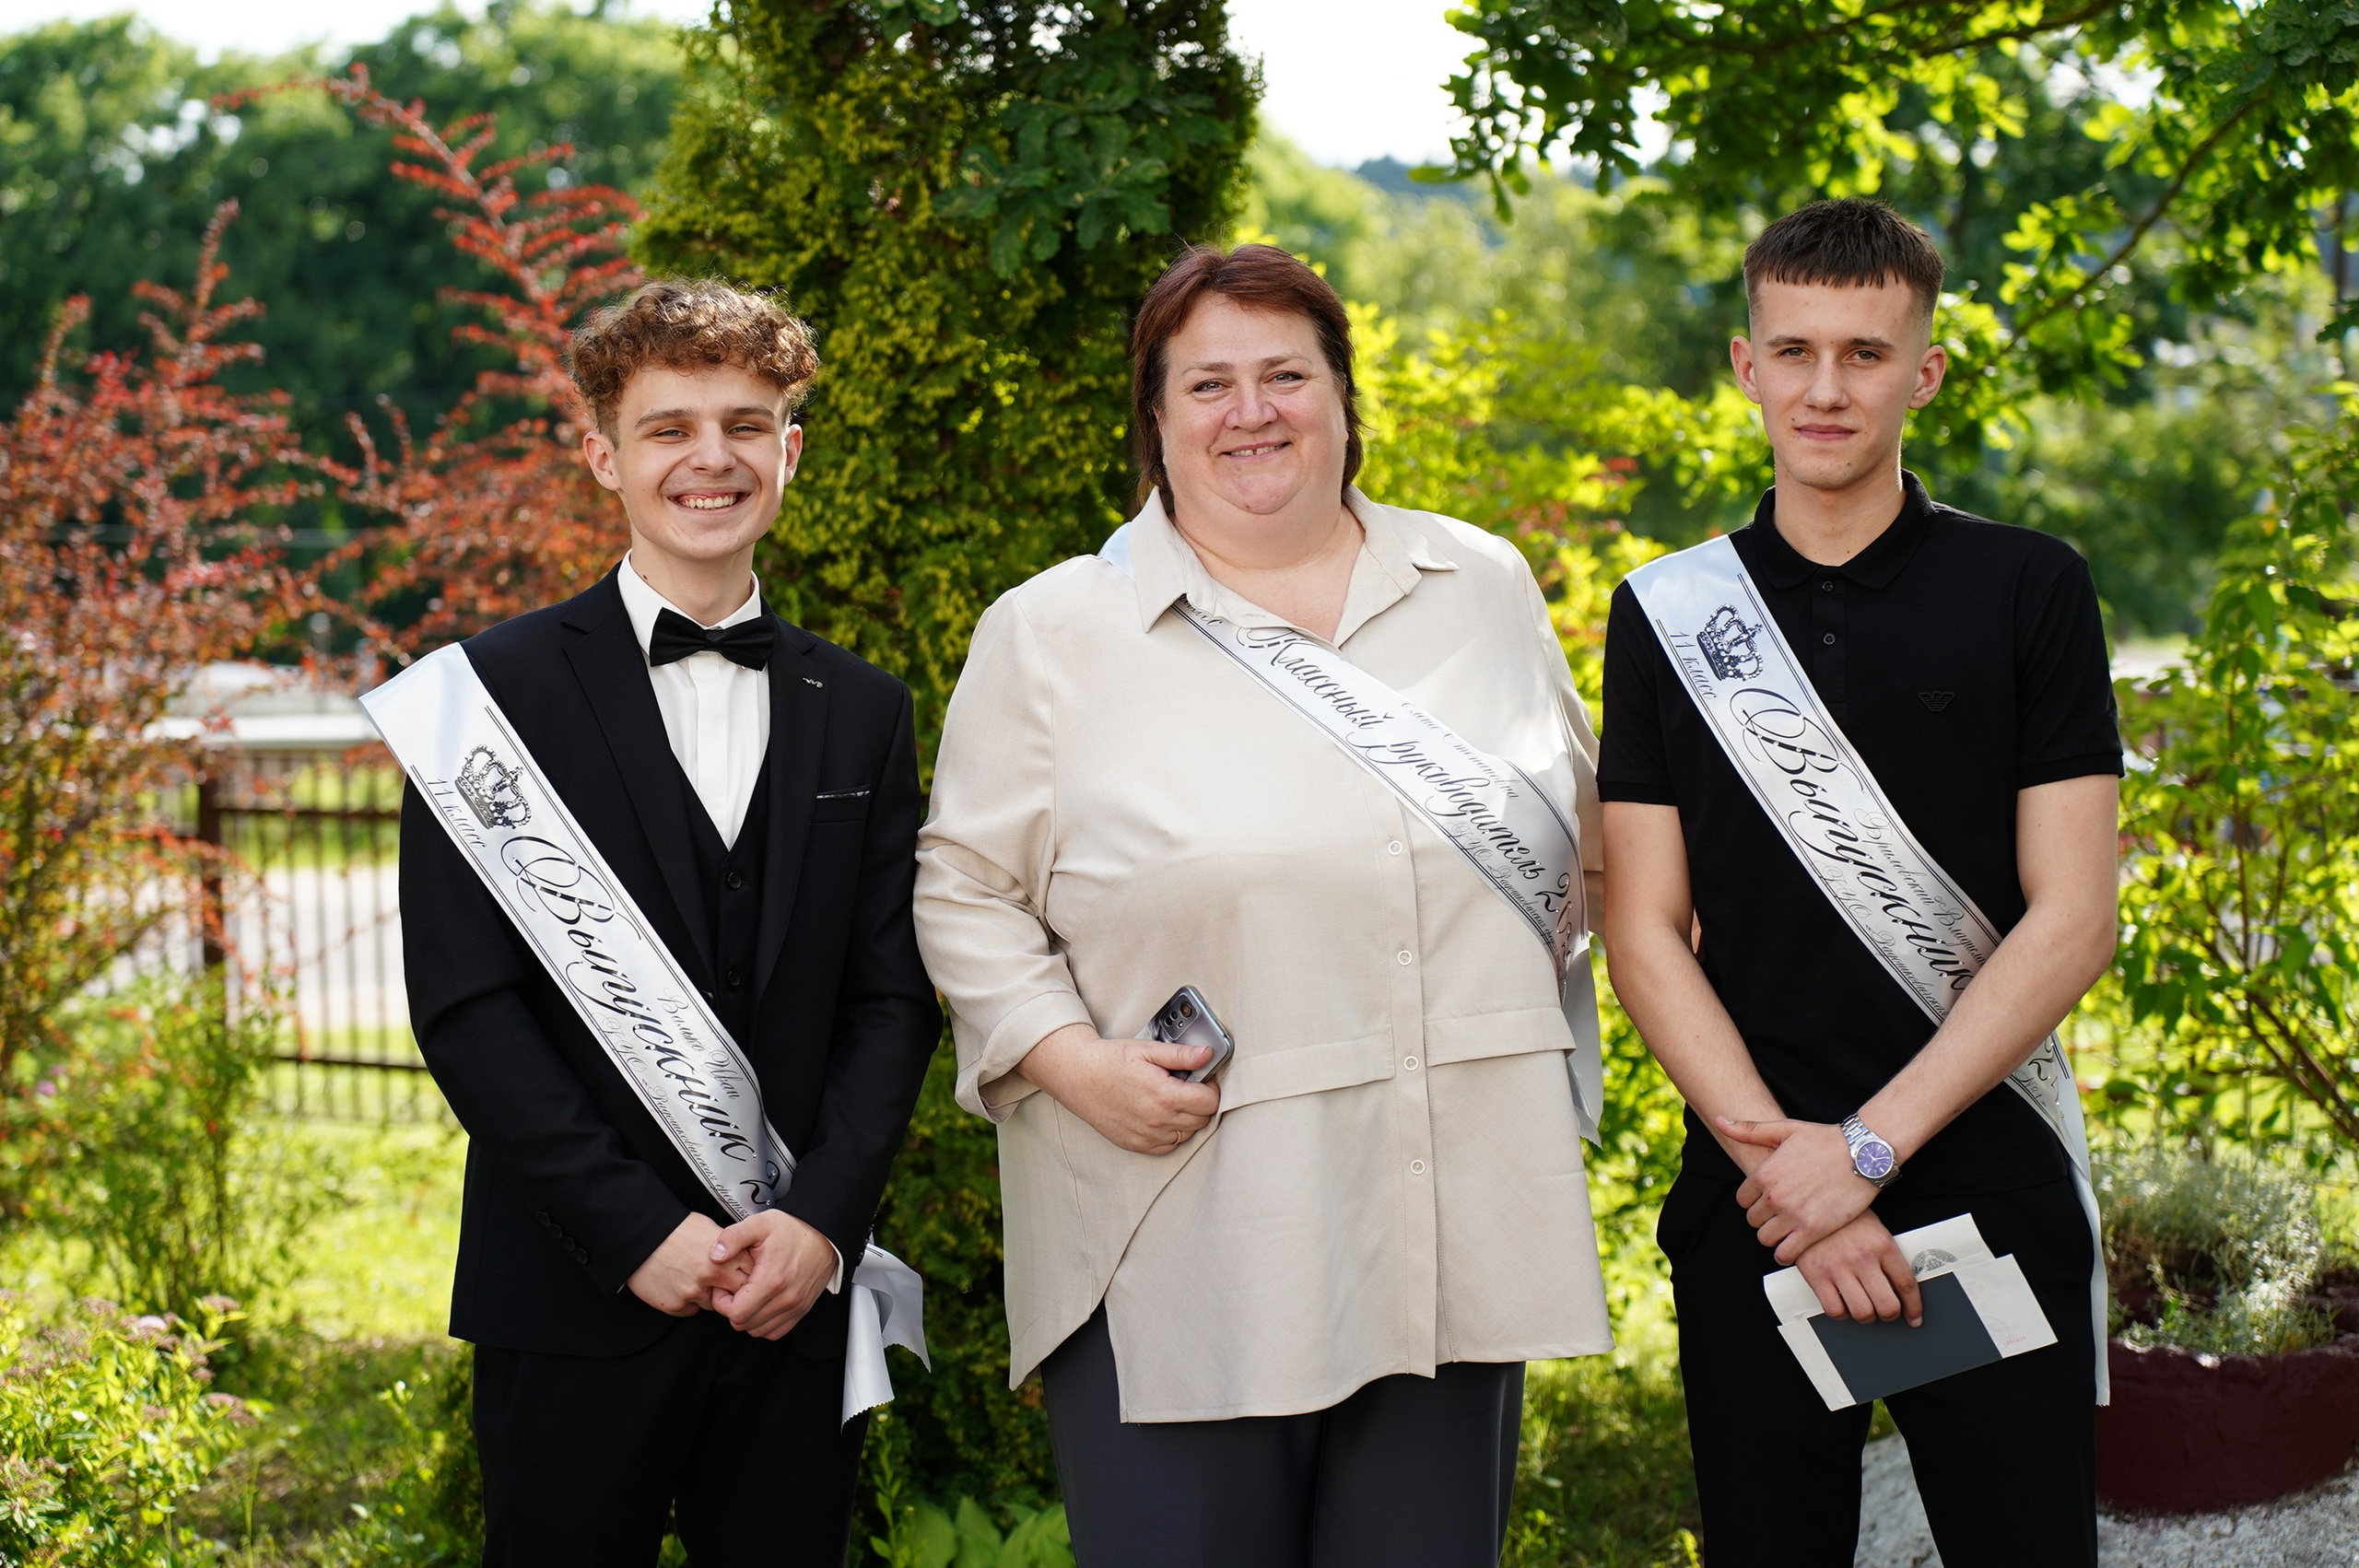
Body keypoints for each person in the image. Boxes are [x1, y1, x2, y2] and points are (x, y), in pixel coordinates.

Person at [912, 242, 1614, 1568]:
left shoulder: (1480, 586)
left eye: (1287, 375)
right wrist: (1069, 1061)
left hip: (1449, 1215)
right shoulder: (1053, 632)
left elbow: (1592, 843)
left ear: (1343, 395)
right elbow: (964, 891)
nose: (1253, 413)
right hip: (1185, 1227)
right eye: (1209, 384)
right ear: (1156, 419)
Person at [1599, 198, 2120, 1566]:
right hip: (1756, 1203)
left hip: (1983, 1184)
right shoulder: (1666, 612)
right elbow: (1640, 926)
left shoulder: (2030, 588)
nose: (1825, 388)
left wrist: (1866, 1153)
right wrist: (1798, 1182)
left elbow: (2076, 918)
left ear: (1924, 372)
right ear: (1746, 364)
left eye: (1866, 354)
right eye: (1795, 350)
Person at [393, 278, 939, 1567]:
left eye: (745, 425)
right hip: (570, 1292)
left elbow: (891, 997)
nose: (712, 458)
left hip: (791, 1295)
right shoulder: (485, 700)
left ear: (790, 451)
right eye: (668, 428)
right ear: (604, 457)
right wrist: (633, 1230)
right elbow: (469, 1010)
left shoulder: (865, 708)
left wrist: (824, 1223)